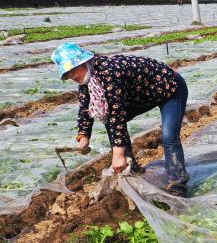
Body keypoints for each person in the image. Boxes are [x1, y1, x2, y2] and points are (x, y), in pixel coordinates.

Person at [51, 43, 190, 197]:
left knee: (169, 136)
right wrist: (84, 135)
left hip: (170, 89)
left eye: (73, 69)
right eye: (67, 73)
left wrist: (118, 153)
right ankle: (131, 170)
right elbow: (86, 107)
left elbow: (117, 113)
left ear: (84, 61)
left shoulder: (110, 71)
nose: (71, 76)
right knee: (108, 118)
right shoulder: (87, 78)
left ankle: (178, 184)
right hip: (143, 95)